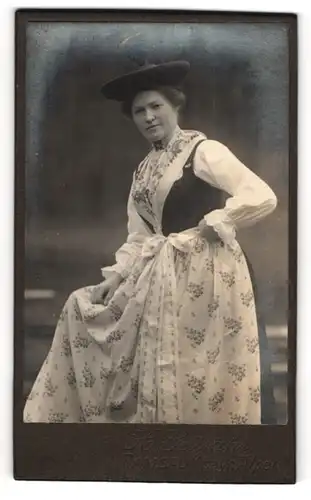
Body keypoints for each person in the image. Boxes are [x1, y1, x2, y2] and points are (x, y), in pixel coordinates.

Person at [24, 60, 277, 424]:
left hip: (210, 274)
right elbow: (140, 236)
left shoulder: (203, 151)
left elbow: (261, 196)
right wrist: (114, 278)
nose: (149, 117)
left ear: (175, 105)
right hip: (161, 278)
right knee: (108, 326)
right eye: (139, 110)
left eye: (156, 106)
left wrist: (217, 220)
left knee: (205, 367)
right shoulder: (144, 169)